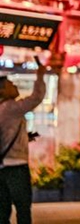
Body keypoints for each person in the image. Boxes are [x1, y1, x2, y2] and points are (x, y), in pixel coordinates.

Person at [0, 63, 47, 224]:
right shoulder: (10, 107)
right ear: (2, 91)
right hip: (16, 167)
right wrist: (40, 75)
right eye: (10, 84)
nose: (15, 85)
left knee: (2, 210)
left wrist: (24, 137)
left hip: (2, 167)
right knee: (23, 208)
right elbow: (36, 97)